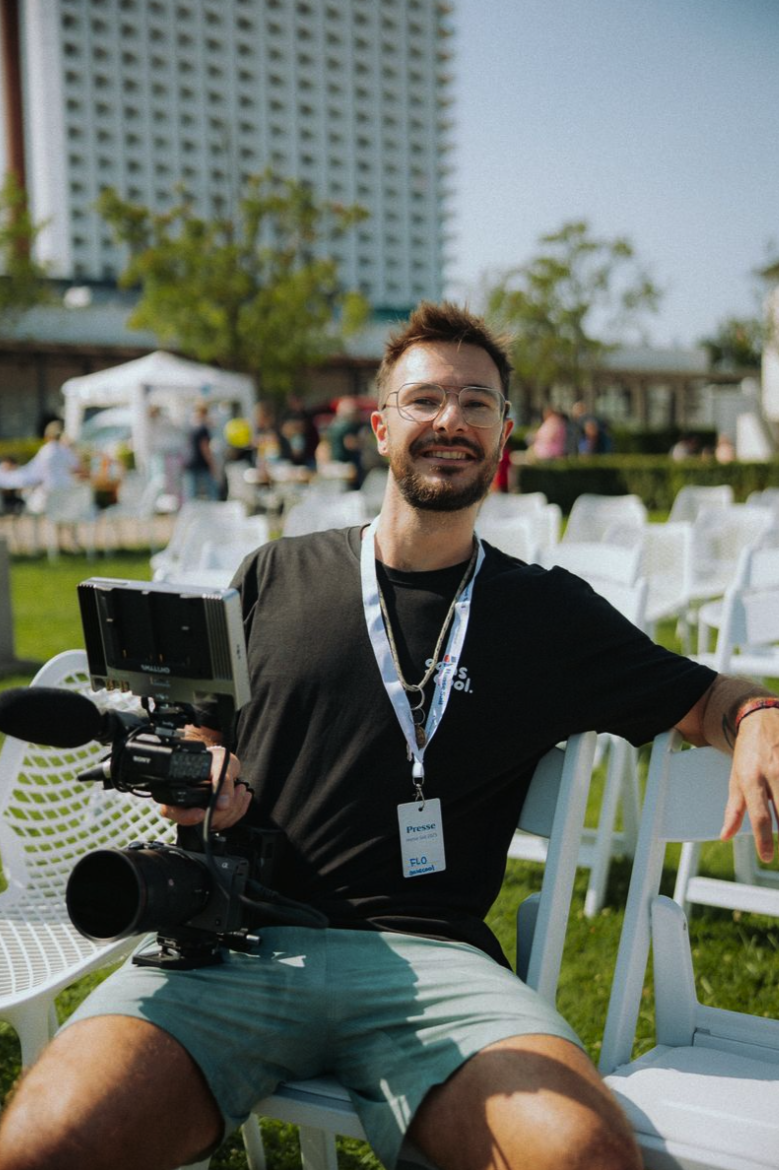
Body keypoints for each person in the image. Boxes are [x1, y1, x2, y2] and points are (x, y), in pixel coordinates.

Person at [2, 302, 779, 1170]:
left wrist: (755, 719)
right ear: (379, 426)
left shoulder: (547, 613)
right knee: (40, 1144)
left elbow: (706, 695)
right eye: (425, 400)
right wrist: (203, 768)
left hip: (437, 968)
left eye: (476, 403)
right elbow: (202, 723)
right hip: (232, 948)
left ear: (504, 433)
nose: (451, 420)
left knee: (585, 1155)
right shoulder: (273, 574)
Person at [182, 403, 221, 501]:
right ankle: (215, 509)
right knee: (212, 490)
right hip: (202, 463)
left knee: (192, 493)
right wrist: (212, 464)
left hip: (191, 462)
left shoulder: (192, 428)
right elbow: (205, 448)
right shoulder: (203, 429)